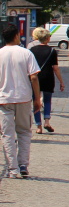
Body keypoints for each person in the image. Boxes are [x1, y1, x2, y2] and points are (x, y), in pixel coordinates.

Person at [0, 21, 42, 179]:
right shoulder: (26, 53)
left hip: (4, 99)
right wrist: (37, 98)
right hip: (23, 98)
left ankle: (12, 168)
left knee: (7, 134)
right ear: (17, 36)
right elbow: (34, 77)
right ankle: (23, 164)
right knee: (24, 131)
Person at [29, 27, 64, 134]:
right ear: (47, 39)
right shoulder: (52, 51)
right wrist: (61, 82)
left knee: (36, 101)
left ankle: (38, 126)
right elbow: (55, 68)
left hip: (35, 78)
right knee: (47, 100)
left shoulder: (31, 51)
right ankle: (47, 121)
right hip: (48, 77)